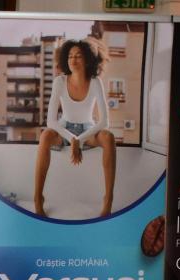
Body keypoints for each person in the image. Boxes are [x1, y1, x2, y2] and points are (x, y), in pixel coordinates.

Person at [34, 39, 116, 219]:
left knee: (108, 137)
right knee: (45, 135)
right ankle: (38, 198)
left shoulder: (95, 82)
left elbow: (104, 122)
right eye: (70, 56)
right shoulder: (59, 81)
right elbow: (51, 121)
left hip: (88, 130)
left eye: (78, 56)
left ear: (87, 60)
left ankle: (108, 199)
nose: (73, 59)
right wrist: (72, 139)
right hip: (65, 128)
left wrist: (79, 139)